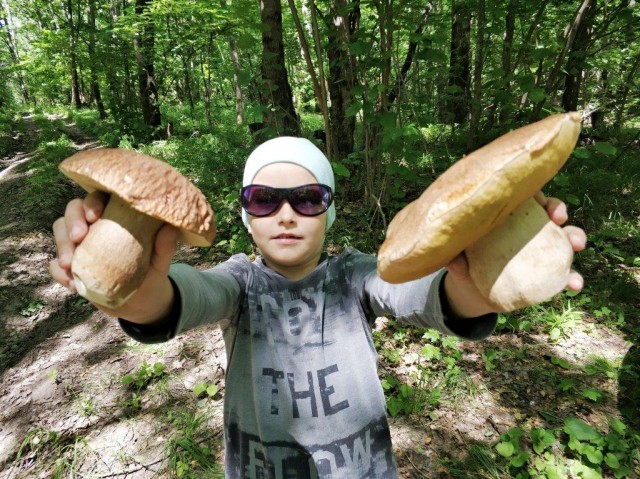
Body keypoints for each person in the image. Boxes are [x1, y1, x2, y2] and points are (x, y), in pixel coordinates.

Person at [50, 137, 586, 478]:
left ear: (328, 214)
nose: (286, 214)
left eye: (308, 199)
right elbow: (173, 299)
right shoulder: (239, 282)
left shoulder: (353, 276)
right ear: (246, 216)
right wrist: (124, 282)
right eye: (264, 199)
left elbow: (429, 296)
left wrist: (479, 283)